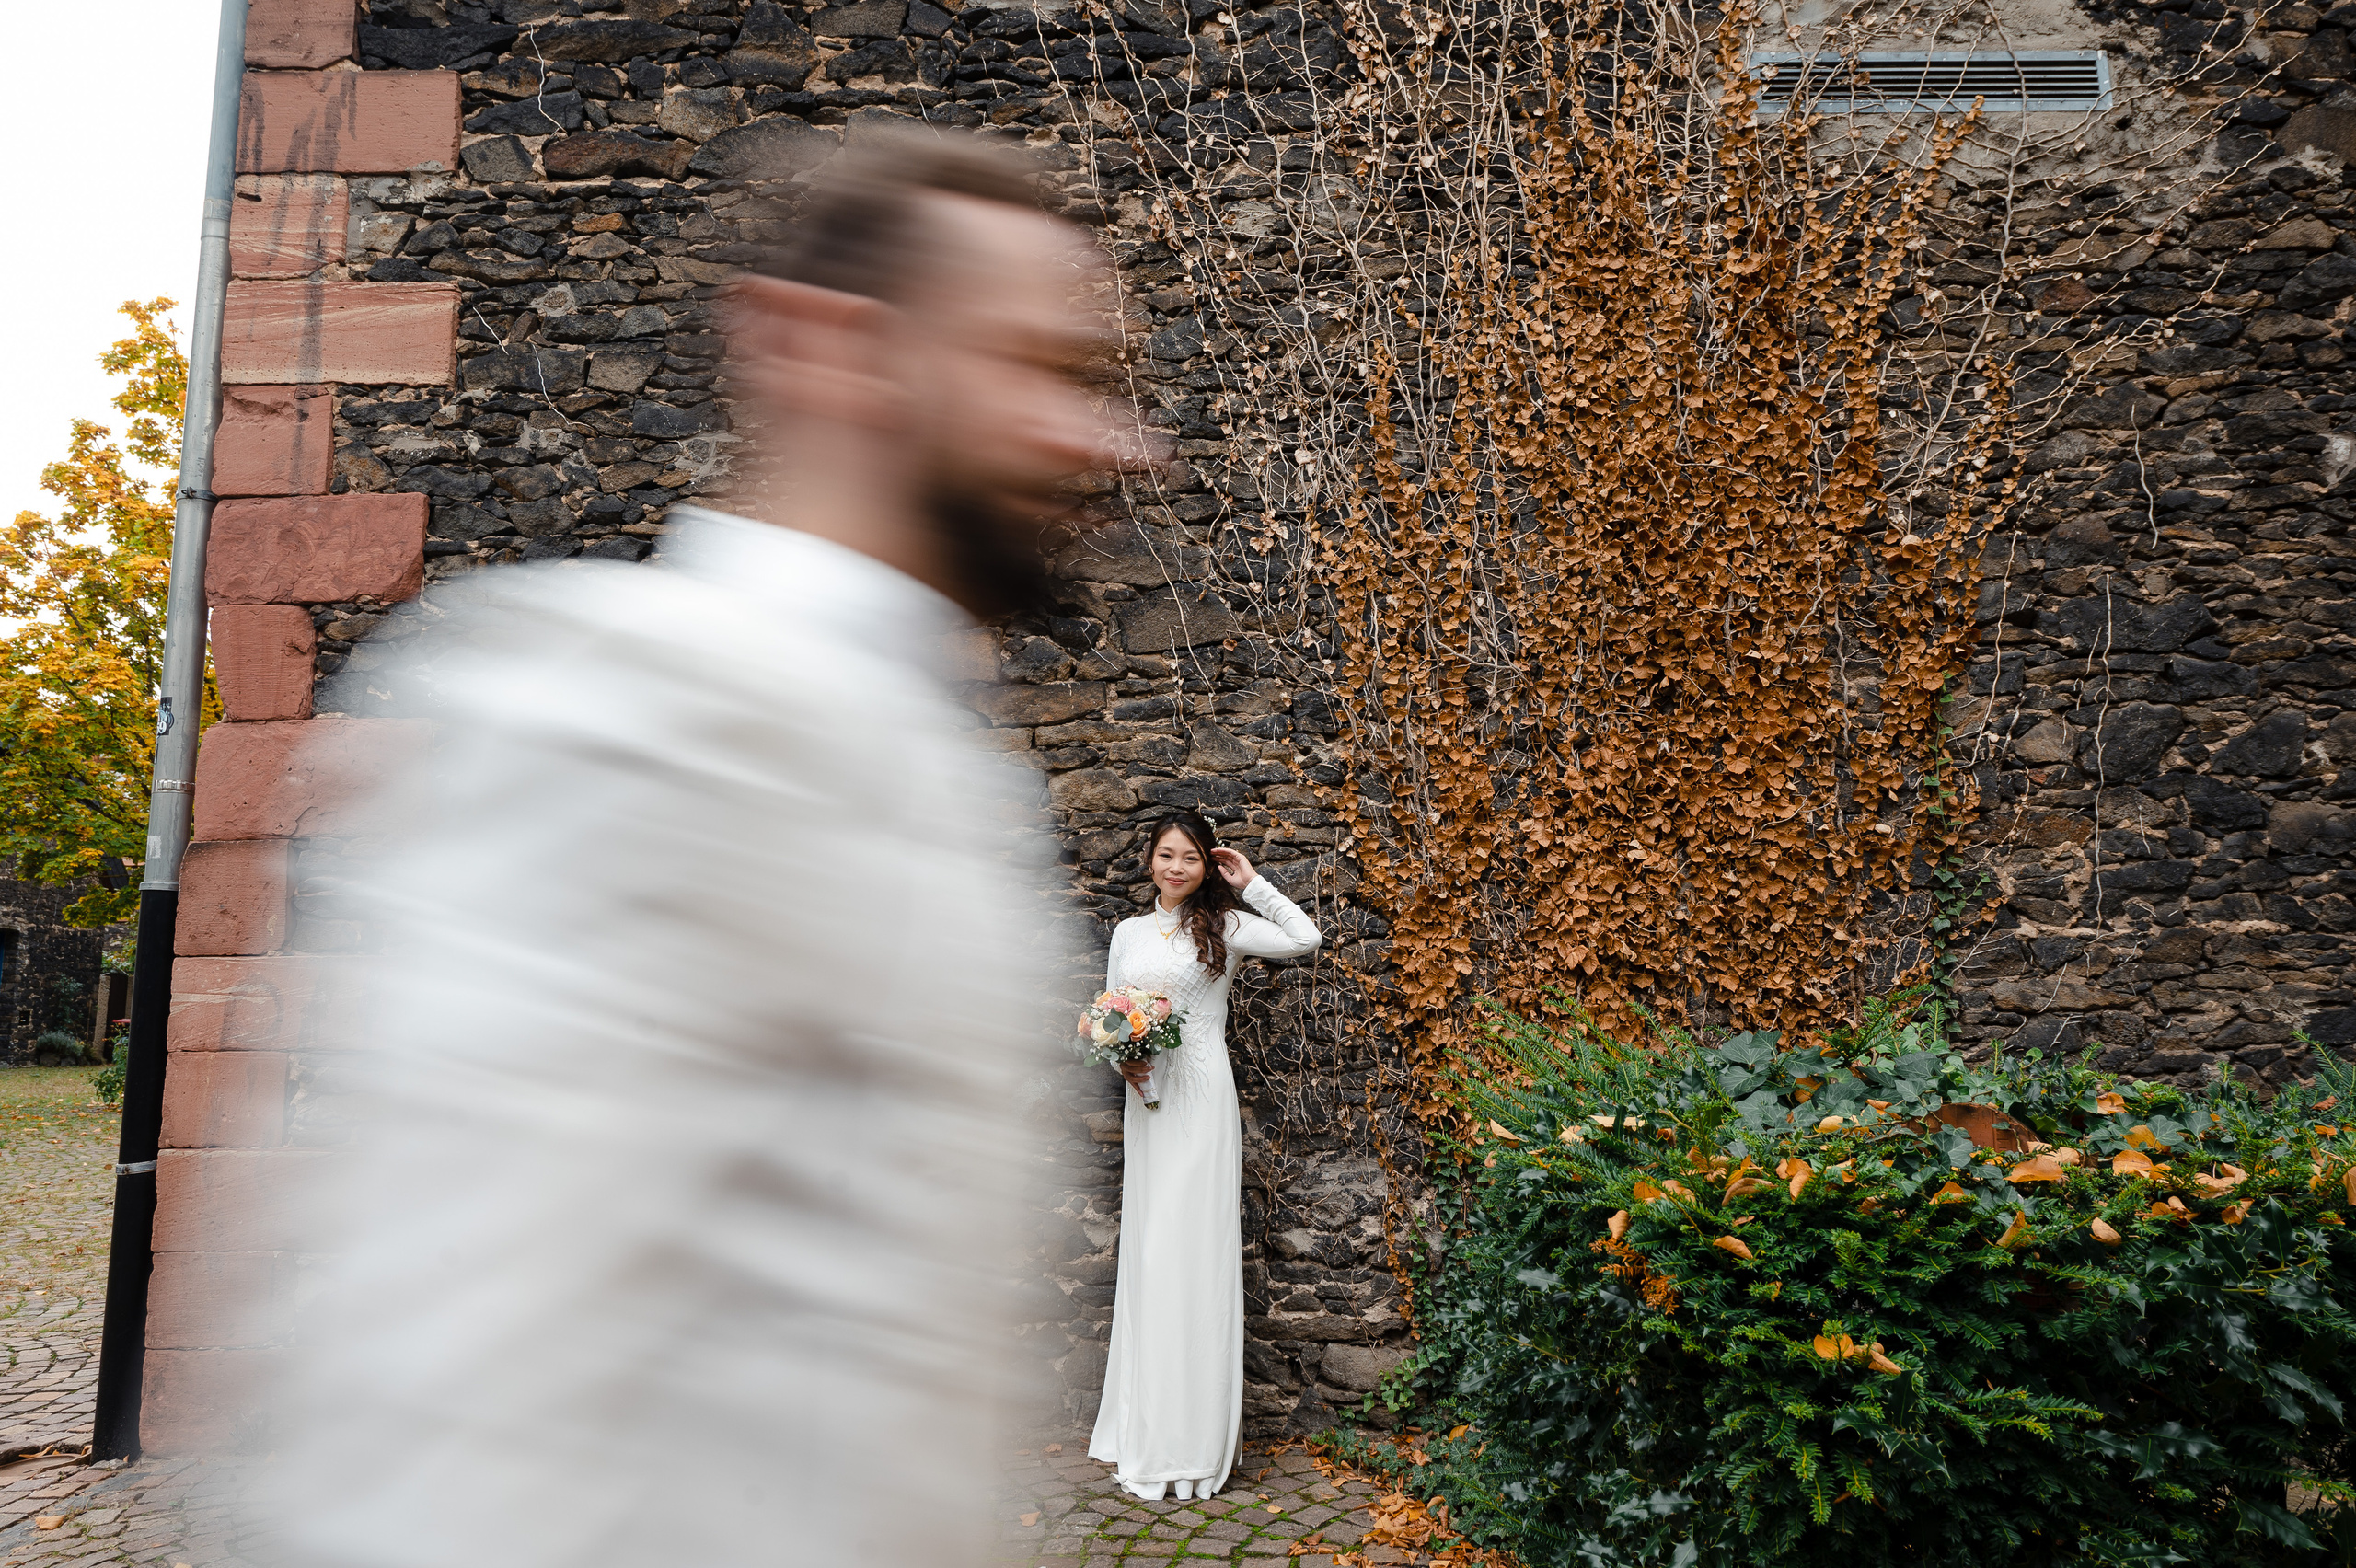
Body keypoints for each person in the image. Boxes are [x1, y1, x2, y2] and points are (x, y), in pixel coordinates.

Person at [267, 130, 1154, 1568]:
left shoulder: (930, 758)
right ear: (832, 352)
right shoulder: (618, 713)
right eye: (1039, 371)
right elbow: (464, 1399)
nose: (1112, 444)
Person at [1089, 812, 1322, 1501]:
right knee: (1152, 1254)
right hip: (1148, 1101)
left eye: (1190, 857)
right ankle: (1143, 1424)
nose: (1176, 867)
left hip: (1201, 1095)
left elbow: (1306, 939)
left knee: (1191, 1252)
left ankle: (1190, 1441)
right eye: (1166, 855)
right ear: (1150, 860)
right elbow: (1110, 1010)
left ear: (1205, 865)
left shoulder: (1224, 926)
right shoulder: (1127, 932)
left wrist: (1253, 883)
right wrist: (1120, 1061)